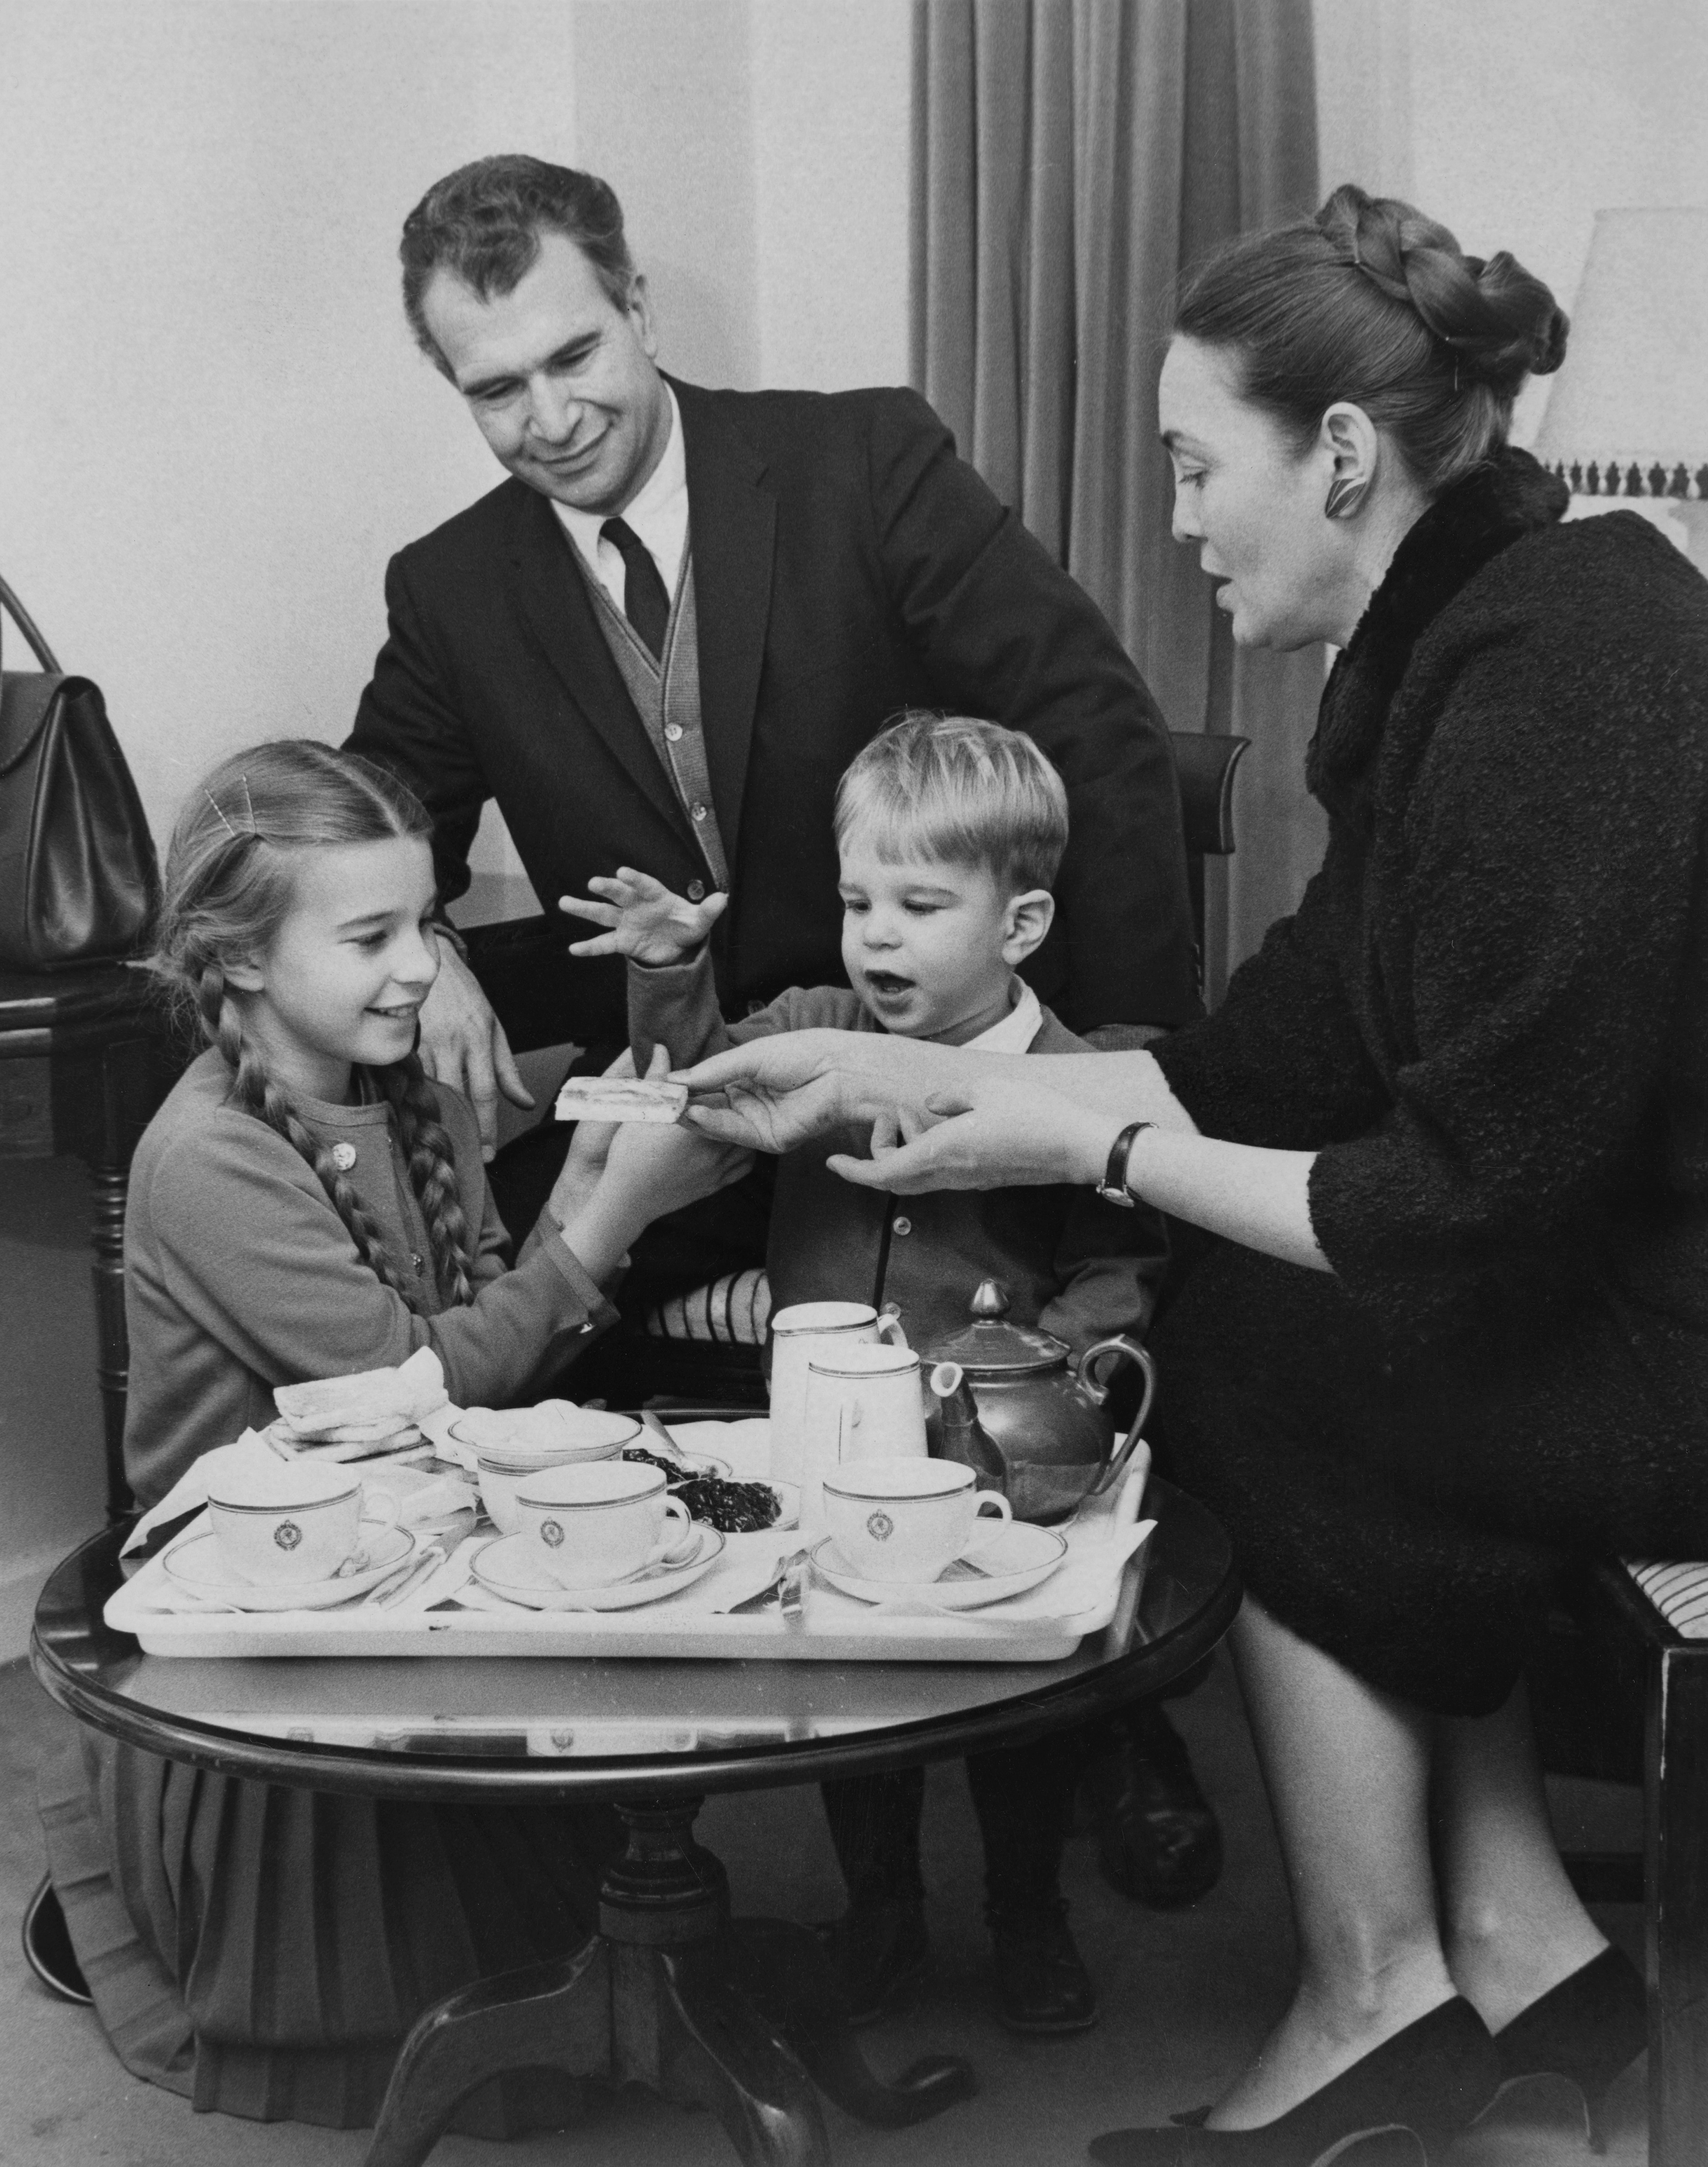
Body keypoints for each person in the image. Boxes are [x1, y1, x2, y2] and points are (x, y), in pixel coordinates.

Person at [677, 183, 1708, 2162]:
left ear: (1336, 455)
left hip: (1675, 1346)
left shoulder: (1567, 676)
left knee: (1238, 1341)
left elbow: (1460, 1202)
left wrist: (1096, 1137)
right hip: (1612, 1285)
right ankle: (1527, 1945)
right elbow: (1283, 1059)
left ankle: (1377, 1988)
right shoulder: (1469, 651)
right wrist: (881, 1062)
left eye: (1186, 465)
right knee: (1286, 1316)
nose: (1171, 523)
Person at [345, 151, 1218, 1909]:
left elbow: (1096, 733)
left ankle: (1098, 1700)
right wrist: (425, 924)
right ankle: (609, 1795)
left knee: (1051, 1343)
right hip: (692, 1126)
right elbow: (371, 800)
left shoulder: (857, 461)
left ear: (639, 304)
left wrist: (1099, 1075)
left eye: (573, 356)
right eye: (491, 387)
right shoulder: (448, 588)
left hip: (931, 1096)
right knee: (509, 1321)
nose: (546, 414)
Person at [34, 741, 750, 2133]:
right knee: (493, 2040)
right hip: (284, 1613)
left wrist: (590, 1182)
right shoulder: (212, 1156)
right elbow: (415, 1384)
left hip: (414, 1549)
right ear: (236, 961)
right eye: (368, 935)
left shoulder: (408, 1088)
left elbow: (496, 1337)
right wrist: (606, 1222)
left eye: (425, 920)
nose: (422, 964)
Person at [562, 713, 1168, 2034]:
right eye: (854, 901)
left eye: (917, 903)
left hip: (996, 1457)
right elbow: (699, 1081)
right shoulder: (819, 1024)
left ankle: (1026, 1912)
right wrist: (671, 971)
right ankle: (883, 1909)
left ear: (1019, 924)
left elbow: (1120, 1265)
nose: (875, 934)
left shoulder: (1079, 1080)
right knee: (852, 1687)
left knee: (1014, 1700)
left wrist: (1058, 1369)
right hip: (831, 1437)